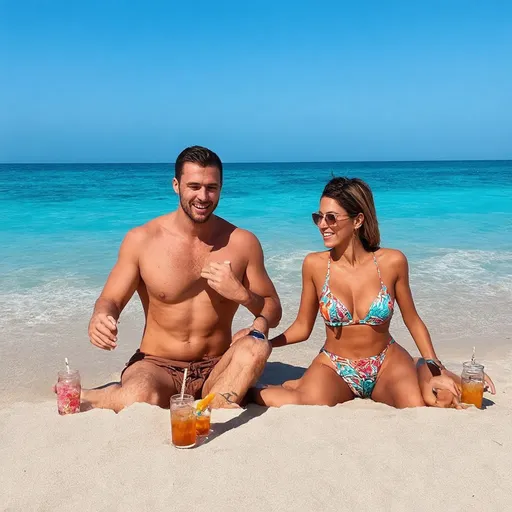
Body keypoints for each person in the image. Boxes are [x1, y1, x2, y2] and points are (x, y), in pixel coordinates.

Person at [252, 177, 495, 409]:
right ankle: (284, 385)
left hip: (385, 361)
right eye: (319, 217)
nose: (322, 225)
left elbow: (413, 320)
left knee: (418, 404)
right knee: (292, 401)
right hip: (334, 365)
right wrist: (264, 344)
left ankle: (420, 366)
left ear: (357, 220)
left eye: (331, 217)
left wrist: (435, 365)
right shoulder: (314, 265)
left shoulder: (392, 262)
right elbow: (303, 327)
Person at [82, 146, 281, 412]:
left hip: (217, 366)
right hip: (157, 364)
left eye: (212, 187)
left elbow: (274, 311)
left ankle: (215, 404)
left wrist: (241, 295)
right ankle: (92, 395)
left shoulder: (243, 243)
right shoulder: (142, 240)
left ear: (221, 188)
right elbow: (111, 300)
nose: (203, 196)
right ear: (176, 185)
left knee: (257, 347)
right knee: (140, 396)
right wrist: (101, 317)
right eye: (194, 186)